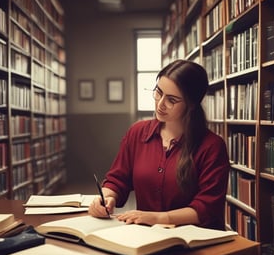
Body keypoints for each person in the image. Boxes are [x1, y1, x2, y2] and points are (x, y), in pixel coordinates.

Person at [89, 59, 230, 230]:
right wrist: (106, 197)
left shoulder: (212, 146)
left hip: (194, 242)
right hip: (147, 236)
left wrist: (158, 218)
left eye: (171, 100)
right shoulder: (137, 133)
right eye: (158, 92)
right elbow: (118, 180)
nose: (160, 104)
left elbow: (206, 208)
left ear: (191, 104)